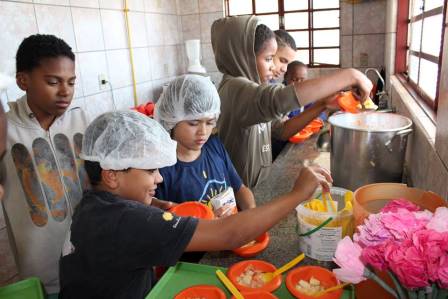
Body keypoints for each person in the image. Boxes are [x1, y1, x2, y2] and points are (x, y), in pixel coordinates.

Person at [58, 110, 333, 299]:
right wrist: (296, 194)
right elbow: (230, 234)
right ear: (111, 175)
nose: (160, 177)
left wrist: (154, 203)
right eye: (151, 170)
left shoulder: (94, 205)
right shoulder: (127, 221)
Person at [211, 16, 372, 188]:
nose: (273, 67)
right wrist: (350, 76)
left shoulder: (252, 91)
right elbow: (278, 99)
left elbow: (281, 130)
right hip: (242, 197)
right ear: (244, 56)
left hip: (258, 188)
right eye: (268, 59)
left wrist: (322, 104)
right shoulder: (235, 89)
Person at [1, 34, 90, 296]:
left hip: (92, 258)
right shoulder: (5, 130)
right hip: (42, 271)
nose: (65, 91)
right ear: (23, 80)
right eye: (53, 82)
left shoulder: (82, 121)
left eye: (71, 82)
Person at [154, 75, 255, 217]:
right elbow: (164, 221)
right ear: (171, 120)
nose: (203, 132)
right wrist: (209, 221)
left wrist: (251, 215)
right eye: (193, 123)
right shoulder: (162, 170)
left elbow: (240, 189)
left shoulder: (214, 146)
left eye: (209, 122)